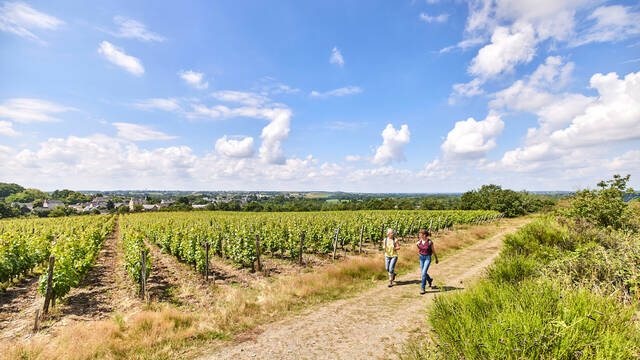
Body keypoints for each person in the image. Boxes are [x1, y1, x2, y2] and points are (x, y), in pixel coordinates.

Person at [416, 229, 438, 294]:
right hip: (421, 257)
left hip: (427, 258)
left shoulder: (430, 242)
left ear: (424, 235)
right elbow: (420, 248)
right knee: (423, 272)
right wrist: (417, 245)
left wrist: (436, 259)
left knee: (423, 273)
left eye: (421, 234)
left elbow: (433, 251)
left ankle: (423, 288)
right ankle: (429, 279)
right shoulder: (419, 241)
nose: (419, 235)